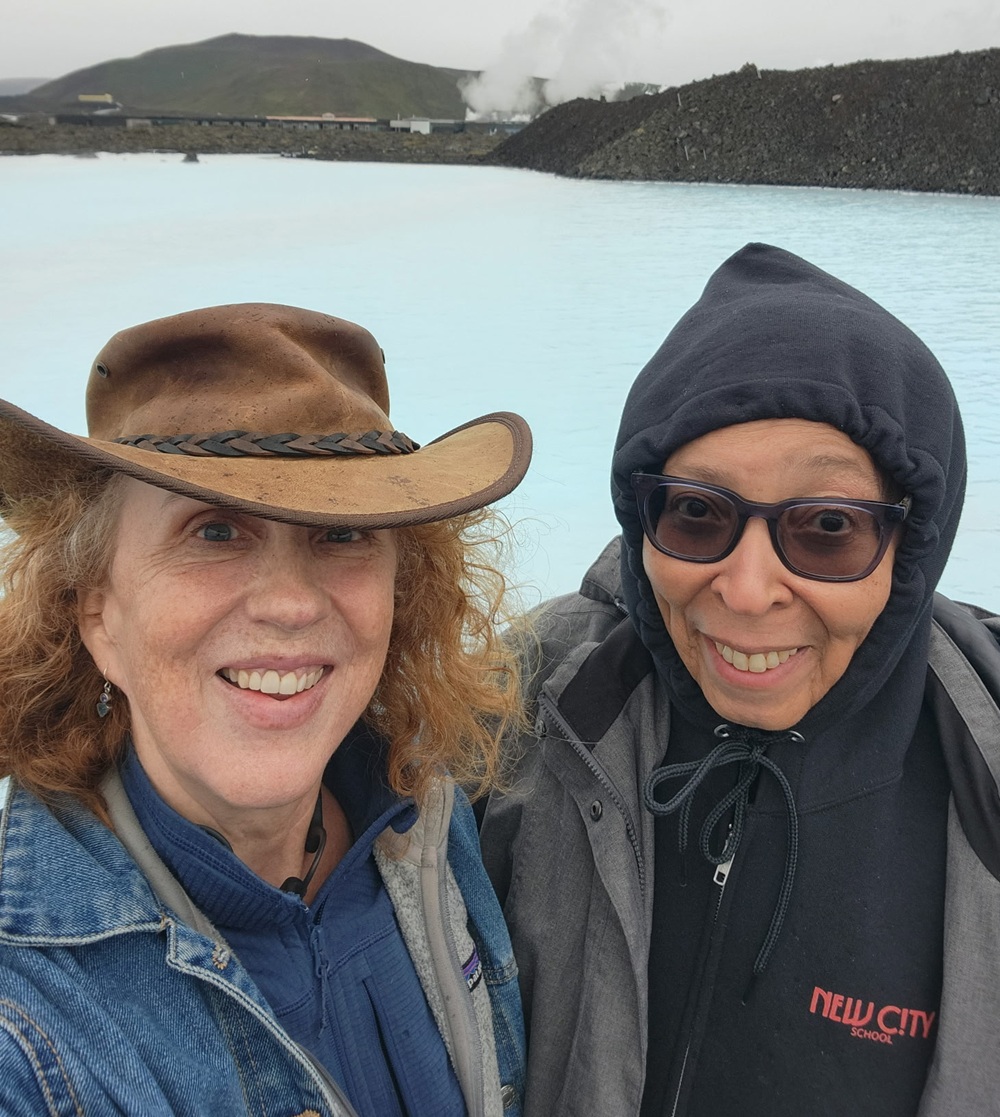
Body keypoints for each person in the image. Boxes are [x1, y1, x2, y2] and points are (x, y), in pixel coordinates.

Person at [479, 244, 1000, 1117]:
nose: (748, 590)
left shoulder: (980, 761)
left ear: (916, 544)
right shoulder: (525, 705)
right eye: (696, 513)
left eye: (827, 526)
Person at [0, 303, 532, 1117]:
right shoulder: (28, 1025)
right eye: (214, 533)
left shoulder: (425, 817)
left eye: (342, 535)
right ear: (97, 613)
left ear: (402, 592)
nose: (288, 603)